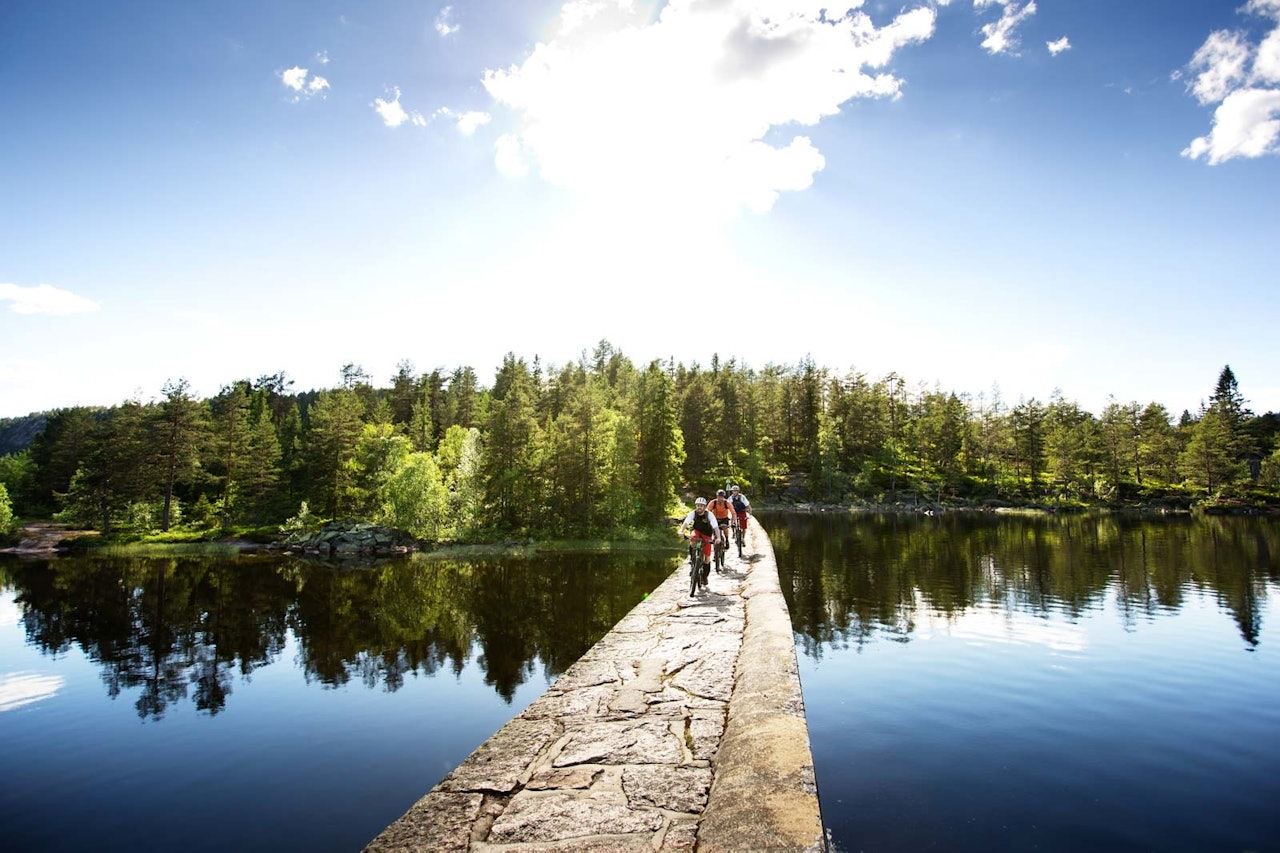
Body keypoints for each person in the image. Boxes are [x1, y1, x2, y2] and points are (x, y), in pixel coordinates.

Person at [678, 497, 723, 582]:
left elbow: (715, 527)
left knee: (707, 558)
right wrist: (681, 530)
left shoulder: (709, 515)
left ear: (705, 507)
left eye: (701, 506)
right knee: (693, 538)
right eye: (698, 505)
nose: (699, 507)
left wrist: (718, 537)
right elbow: (686, 522)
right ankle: (693, 558)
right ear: (696, 506)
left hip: (707, 535)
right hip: (697, 531)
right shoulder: (693, 513)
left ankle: (705, 577)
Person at [707, 488, 735, 569]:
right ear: (717, 496)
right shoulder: (713, 502)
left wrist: (733, 522)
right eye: (719, 497)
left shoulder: (727, 503)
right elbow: (707, 512)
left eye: (722, 497)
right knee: (715, 536)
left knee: (725, 528)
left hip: (724, 518)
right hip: (714, 519)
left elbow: (733, 513)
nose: (720, 498)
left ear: (724, 497)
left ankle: (726, 539)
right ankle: (715, 554)